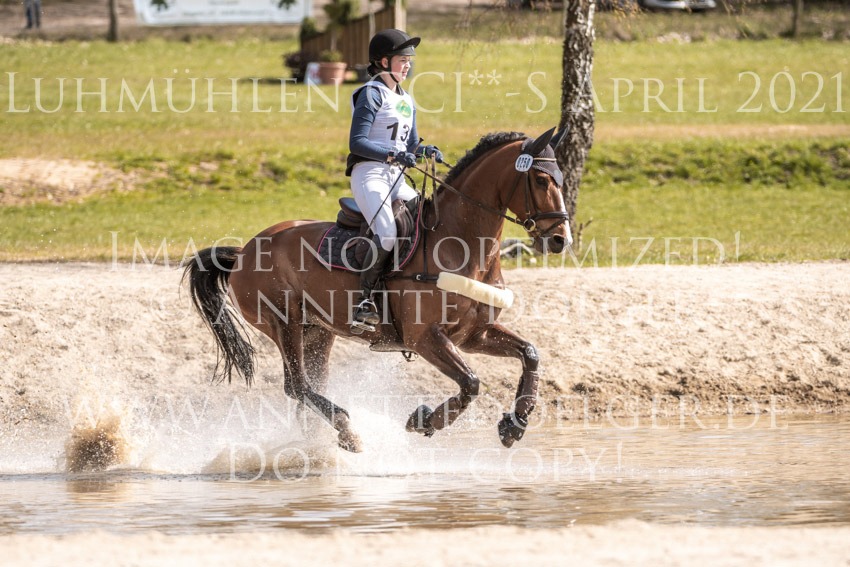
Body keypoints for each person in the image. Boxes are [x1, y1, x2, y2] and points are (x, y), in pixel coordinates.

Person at [346, 29, 443, 333]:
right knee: (387, 233)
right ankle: (363, 302)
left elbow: (411, 145)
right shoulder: (371, 93)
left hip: (396, 178)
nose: (408, 65)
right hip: (370, 174)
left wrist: (425, 151)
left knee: (429, 220)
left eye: (409, 60)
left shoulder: (405, 99)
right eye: (403, 59)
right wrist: (392, 155)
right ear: (384, 61)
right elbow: (357, 142)